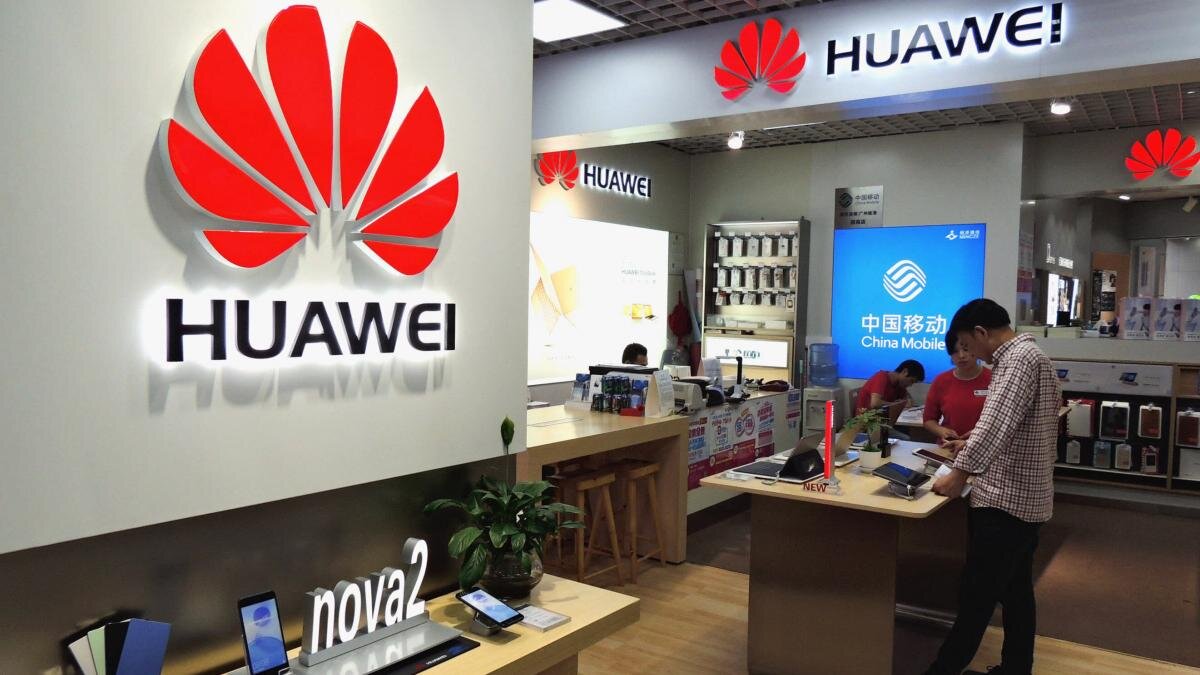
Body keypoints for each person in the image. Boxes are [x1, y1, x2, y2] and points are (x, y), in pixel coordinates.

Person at [924, 298, 1061, 675]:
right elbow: (1014, 424)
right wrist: (970, 441)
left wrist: (958, 474)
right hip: (1027, 499)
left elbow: (997, 423)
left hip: (1006, 501)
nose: (970, 353)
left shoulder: (1016, 361)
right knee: (1016, 594)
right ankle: (1016, 668)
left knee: (976, 599)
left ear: (982, 332)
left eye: (969, 344)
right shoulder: (1033, 356)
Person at [923, 332, 992, 442]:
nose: (961, 356)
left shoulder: (993, 378)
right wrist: (941, 431)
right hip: (948, 446)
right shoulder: (941, 380)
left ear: (976, 348)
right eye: (955, 351)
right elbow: (929, 420)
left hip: (982, 446)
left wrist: (980, 433)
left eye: (966, 349)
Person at [854, 359, 924, 424]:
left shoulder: (899, 385)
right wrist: (896, 405)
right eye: (911, 381)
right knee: (908, 433)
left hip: (883, 421)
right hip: (867, 423)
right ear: (904, 372)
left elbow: (908, 402)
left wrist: (906, 401)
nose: (910, 385)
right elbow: (875, 403)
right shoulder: (881, 377)